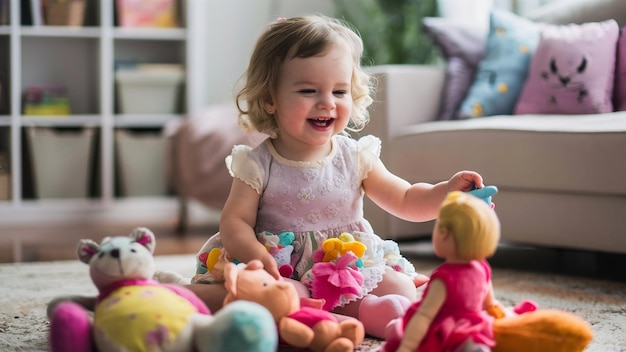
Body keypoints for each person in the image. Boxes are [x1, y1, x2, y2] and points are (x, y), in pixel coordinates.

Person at [181, 14, 486, 338]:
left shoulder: (355, 156)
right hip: (280, 267)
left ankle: (359, 315)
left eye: (339, 92)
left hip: (345, 264)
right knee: (282, 299)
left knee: (397, 286)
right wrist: (256, 257)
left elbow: (406, 198)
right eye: (309, 90)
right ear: (270, 99)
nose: (326, 103)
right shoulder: (258, 163)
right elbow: (235, 222)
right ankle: (350, 319)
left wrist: (446, 194)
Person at [382, 191, 503, 352]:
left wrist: (407, 347)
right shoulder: (482, 268)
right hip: (473, 327)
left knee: (400, 330)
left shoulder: (444, 278)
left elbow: (425, 316)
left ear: (444, 234)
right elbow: (490, 304)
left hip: (446, 333)